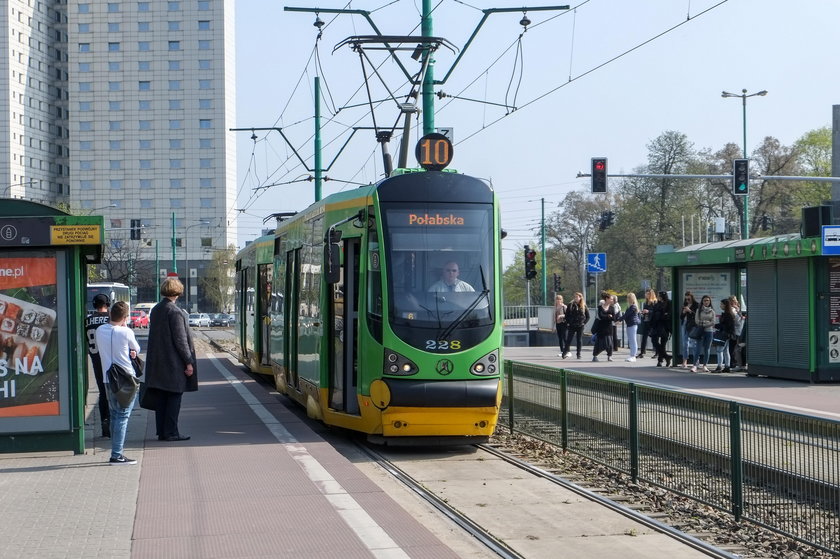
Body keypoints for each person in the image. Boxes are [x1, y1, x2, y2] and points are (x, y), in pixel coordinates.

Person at [145, 277, 197, 442]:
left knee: (161, 399)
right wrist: (188, 362)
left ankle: (162, 431)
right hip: (173, 363)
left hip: (158, 362)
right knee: (174, 397)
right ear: (178, 291)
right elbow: (180, 340)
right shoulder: (174, 312)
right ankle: (172, 432)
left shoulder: (157, 309)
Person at [94, 301, 140, 465]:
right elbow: (136, 349)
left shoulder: (100, 330)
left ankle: (116, 451)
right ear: (125, 317)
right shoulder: (126, 332)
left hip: (108, 378)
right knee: (122, 416)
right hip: (126, 379)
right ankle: (116, 454)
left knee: (114, 414)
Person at [85, 294, 111, 438]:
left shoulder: (87, 321)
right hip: (110, 360)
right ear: (108, 303)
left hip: (96, 360)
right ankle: (115, 423)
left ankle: (104, 422)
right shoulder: (110, 319)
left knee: (102, 392)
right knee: (114, 392)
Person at [691, 295, 716, 373]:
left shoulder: (712, 311)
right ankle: (695, 365)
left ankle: (705, 365)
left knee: (707, 348)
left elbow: (713, 322)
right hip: (700, 331)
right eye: (705, 300)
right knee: (698, 348)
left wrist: (704, 323)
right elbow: (697, 321)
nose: (706, 302)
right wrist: (706, 323)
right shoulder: (699, 310)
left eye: (708, 300)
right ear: (702, 301)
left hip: (709, 331)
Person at [563, 292, 590, 360]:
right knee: (569, 339)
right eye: (575, 297)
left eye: (577, 297)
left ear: (580, 297)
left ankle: (578, 353)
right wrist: (568, 322)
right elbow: (567, 315)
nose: (576, 298)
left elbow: (588, 316)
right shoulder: (571, 305)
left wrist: (584, 323)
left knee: (579, 340)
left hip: (580, 325)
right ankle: (565, 352)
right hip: (572, 325)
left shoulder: (584, 305)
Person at [592, 291, 617, 362]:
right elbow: (601, 316)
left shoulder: (612, 308)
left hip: (609, 328)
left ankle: (609, 356)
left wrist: (608, 317)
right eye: (611, 299)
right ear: (607, 299)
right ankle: (595, 356)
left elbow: (614, 318)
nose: (612, 300)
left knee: (609, 343)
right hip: (601, 328)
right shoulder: (600, 307)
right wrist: (609, 316)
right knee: (599, 343)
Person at [713, 298, 736, 373]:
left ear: (725, 305)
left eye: (721, 304)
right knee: (726, 351)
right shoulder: (729, 314)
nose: (720, 305)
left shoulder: (727, 315)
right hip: (728, 334)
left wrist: (715, 325)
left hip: (725, 334)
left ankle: (719, 366)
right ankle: (727, 366)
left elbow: (725, 325)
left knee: (720, 350)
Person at [650, 291, 672, 367]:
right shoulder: (657, 304)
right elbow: (654, 314)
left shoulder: (669, 303)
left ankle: (660, 361)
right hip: (656, 325)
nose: (658, 297)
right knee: (654, 341)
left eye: (659, 296)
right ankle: (666, 356)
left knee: (663, 344)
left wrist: (663, 315)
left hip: (665, 326)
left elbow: (669, 314)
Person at [679, 291, 699, 368]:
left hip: (693, 325)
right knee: (685, 344)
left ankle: (696, 361)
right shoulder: (685, 305)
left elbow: (697, 315)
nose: (687, 301)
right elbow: (681, 317)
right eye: (686, 299)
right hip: (684, 324)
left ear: (692, 298)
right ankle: (684, 361)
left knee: (694, 344)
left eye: (689, 299)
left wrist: (690, 311)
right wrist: (684, 312)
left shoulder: (696, 305)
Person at [637, 289, 657, 358]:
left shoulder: (654, 302)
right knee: (644, 337)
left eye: (647, 294)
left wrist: (648, 311)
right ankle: (642, 352)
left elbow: (655, 312)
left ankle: (657, 352)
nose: (646, 295)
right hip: (646, 321)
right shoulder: (646, 302)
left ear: (650, 294)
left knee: (653, 338)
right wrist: (642, 312)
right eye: (646, 294)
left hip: (651, 322)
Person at [623, 293, 641, 362]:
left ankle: (633, 355)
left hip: (632, 324)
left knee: (633, 340)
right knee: (631, 340)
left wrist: (619, 320)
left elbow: (626, 315)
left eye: (628, 298)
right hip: (630, 324)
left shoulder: (633, 307)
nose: (627, 299)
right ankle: (632, 355)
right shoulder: (631, 306)